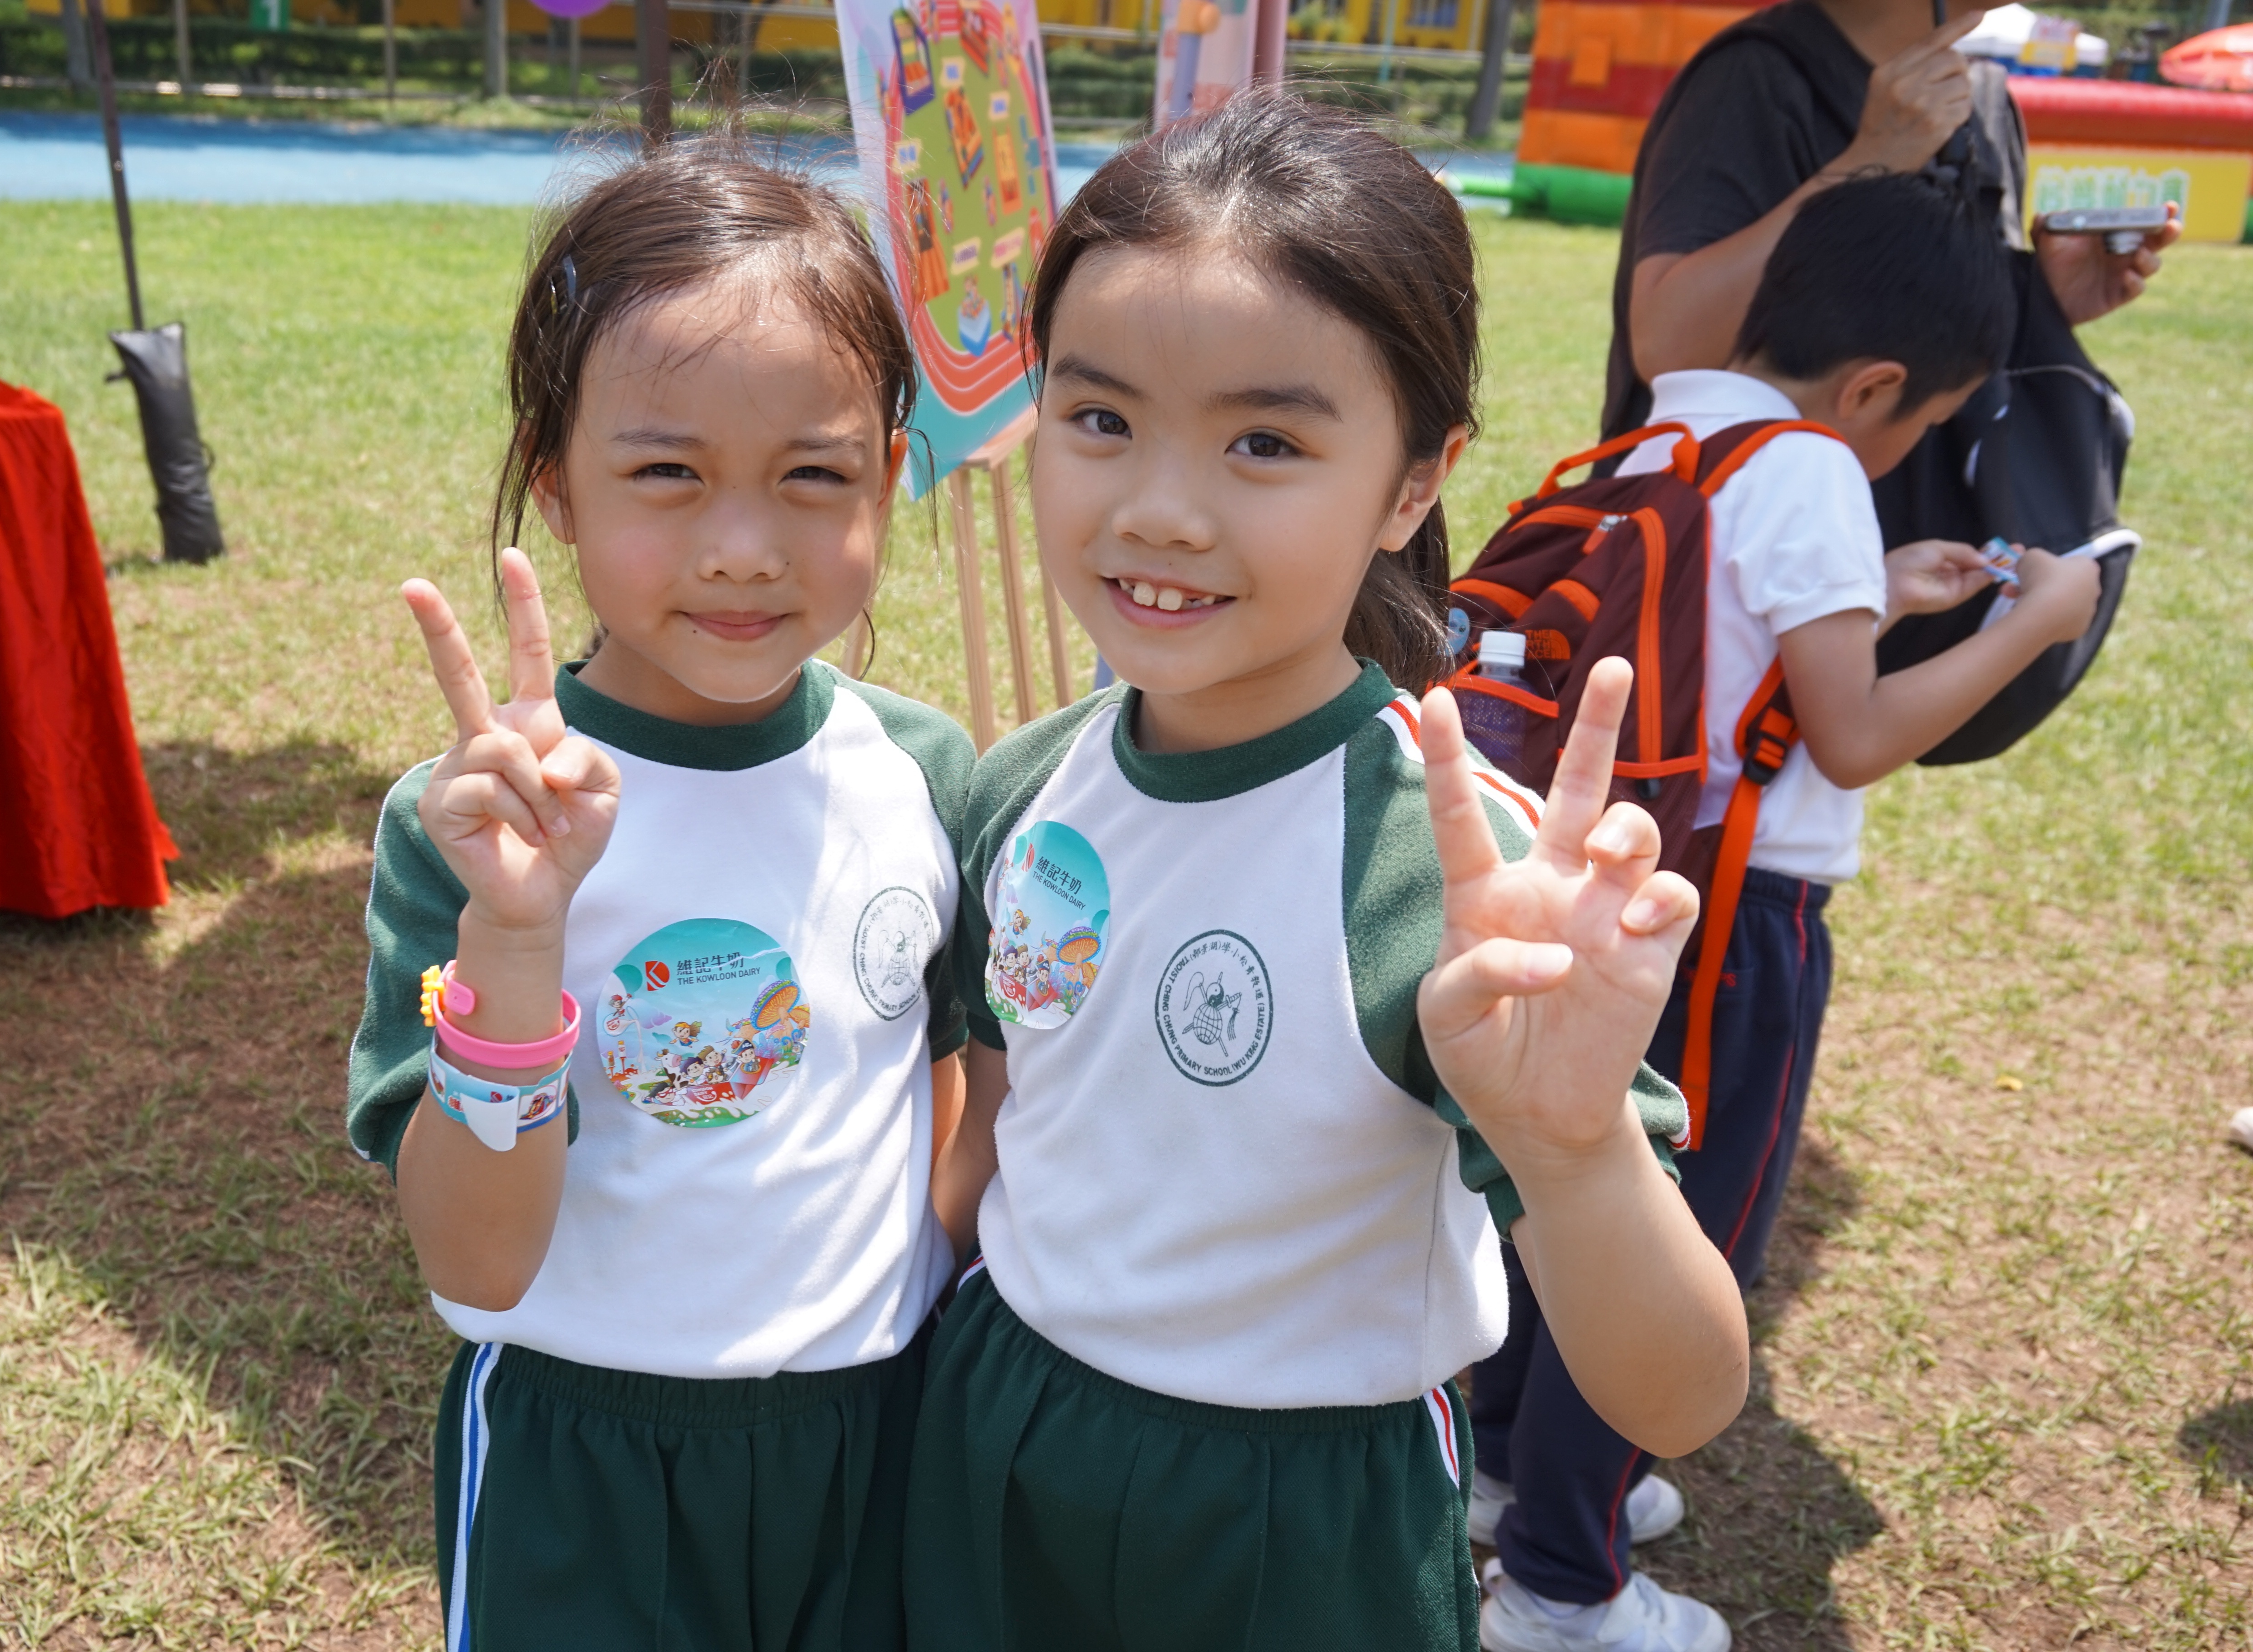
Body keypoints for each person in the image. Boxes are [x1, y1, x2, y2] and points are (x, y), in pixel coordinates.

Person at [907, 92, 1753, 1652]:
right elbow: (998, 1129)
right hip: (992, 1427)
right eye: (1100, 420)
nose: (1160, 508)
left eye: (1265, 443)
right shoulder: (1024, 785)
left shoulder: (1454, 877)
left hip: (1294, 1520)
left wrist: (1575, 1150)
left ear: (1414, 482)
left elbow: (1680, 1394)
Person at [343, 136, 975, 1651]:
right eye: (666, 474)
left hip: (881, 1438)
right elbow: (476, 1258)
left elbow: (944, 1094)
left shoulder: (927, 773)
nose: (742, 550)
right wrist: (515, 939)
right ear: (554, 481)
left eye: (812, 475)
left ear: (888, 477)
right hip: (583, 1463)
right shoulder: (478, 829)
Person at [1470, 174, 2108, 1652]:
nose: (1904, 453)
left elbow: (1728, 633)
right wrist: (2032, 624)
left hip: (1606, 883)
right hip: (1731, 922)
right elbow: (1852, 736)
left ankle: (1508, 1471)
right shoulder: (1814, 464)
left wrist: (1870, 591)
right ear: (1875, 386)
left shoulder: (1660, 434)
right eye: (1918, 425)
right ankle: (1561, 1584)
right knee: (1678, 1233)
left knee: (1571, 1195)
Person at [1603, 0, 2177, 467]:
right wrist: (1873, 158)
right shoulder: (1754, 77)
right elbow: (1668, 348)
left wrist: (2039, 303)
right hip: (1739, 548)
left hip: (1887, 554)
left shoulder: (1979, 101)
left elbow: (1920, 344)